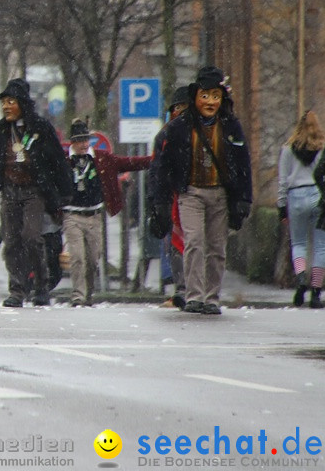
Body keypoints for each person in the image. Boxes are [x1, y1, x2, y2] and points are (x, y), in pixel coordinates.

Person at [153, 66, 252, 316]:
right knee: (194, 242)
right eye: (205, 96)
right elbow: (164, 165)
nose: (210, 102)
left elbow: (242, 163)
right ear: (196, 97)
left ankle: (212, 297)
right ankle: (194, 295)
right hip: (191, 193)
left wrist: (243, 198)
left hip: (220, 194)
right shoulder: (179, 128)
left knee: (217, 247)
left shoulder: (231, 127)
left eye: (215, 96)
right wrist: (160, 202)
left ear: (222, 98)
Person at [0, 79, 71, 308]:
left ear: (22, 103)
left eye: (10, 102)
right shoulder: (1, 130)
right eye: (3, 102)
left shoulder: (41, 128)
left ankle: (41, 286)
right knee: (11, 242)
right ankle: (17, 290)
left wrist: (64, 195)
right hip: (10, 192)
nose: (6, 107)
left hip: (34, 192)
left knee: (32, 237)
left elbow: (57, 162)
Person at [63, 119, 151, 307]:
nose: (84, 145)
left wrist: (154, 159)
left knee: (93, 258)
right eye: (79, 141)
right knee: (77, 257)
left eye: (86, 140)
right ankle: (78, 295)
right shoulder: (63, 160)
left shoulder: (102, 158)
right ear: (72, 142)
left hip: (94, 215)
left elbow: (129, 162)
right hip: (72, 216)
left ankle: (88, 292)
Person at [147, 85, 192, 309]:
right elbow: (157, 169)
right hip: (174, 196)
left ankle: (196, 288)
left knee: (196, 242)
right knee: (176, 243)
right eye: (178, 108)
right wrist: (157, 201)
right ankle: (183, 288)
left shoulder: (202, 131)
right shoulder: (165, 135)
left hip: (194, 192)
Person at [283, 112, 325, 308]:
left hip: (296, 196)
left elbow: (282, 180)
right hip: (318, 194)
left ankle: (301, 278)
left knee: (298, 243)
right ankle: (316, 291)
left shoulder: (288, 149)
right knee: (321, 246)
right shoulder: (322, 148)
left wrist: (281, 206)